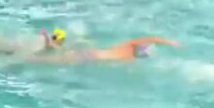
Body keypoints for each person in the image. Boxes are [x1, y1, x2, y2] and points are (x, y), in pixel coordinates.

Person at [28, 37, 180, 64]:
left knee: (50, 58)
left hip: (90, 53)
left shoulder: (127, 47)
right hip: (89, 58)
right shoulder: (129, 58)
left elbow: (151, 39)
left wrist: (169, 42)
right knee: (44, 61)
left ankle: (46, 49)